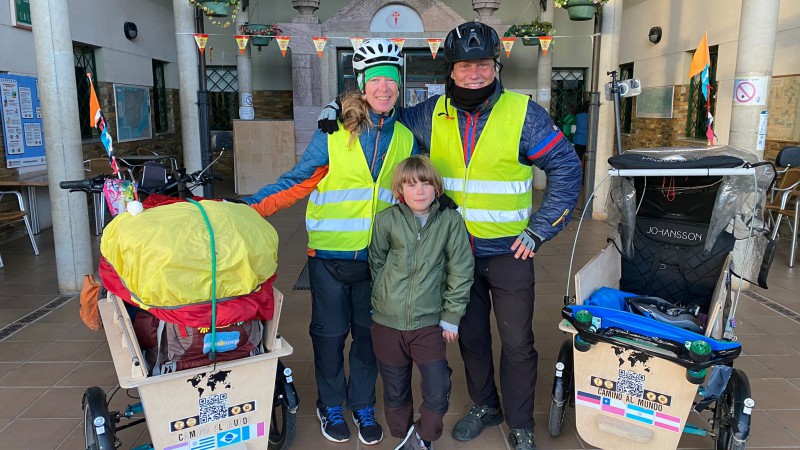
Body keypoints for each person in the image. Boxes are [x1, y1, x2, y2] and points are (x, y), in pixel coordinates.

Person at [318, 22, 582, 450]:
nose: (473, 73)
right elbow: (380, 116)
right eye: (464, 66)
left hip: (509, 252)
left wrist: (539, 229)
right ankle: (485, 404)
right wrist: (338, 108)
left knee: (517, 341)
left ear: (495, 67)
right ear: (451, 71)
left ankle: (519, 421)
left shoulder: (522, 113)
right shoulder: (428, 114)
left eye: (482, 64)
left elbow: (566, 167)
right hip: (452, 254)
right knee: (470, 337)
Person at [243, 38, 418, 446]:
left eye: (390, 81)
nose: (384, 88)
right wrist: (247, 209)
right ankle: (331, 403)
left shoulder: (407, 138)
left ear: (398, 86)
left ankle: (362, 405)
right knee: (329, 335)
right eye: (376, 81)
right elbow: (297, 180)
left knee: (369, 338)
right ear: (362, 85)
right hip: (330, 259)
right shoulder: (333, 132)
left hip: (379, 261)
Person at [368, 155, 473, 450]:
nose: (420, 191)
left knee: (437, 387)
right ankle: (404, 438)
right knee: (395, 389)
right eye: (411, 185)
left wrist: (451, 315)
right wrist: (383, 298)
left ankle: (424, 436)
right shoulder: (386, 219)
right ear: (400, 190)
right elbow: (377, 262)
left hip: (429, 322)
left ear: (436, 187)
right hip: (387, 323)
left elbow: (461, 269)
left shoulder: (450, 221)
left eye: (426, 183)